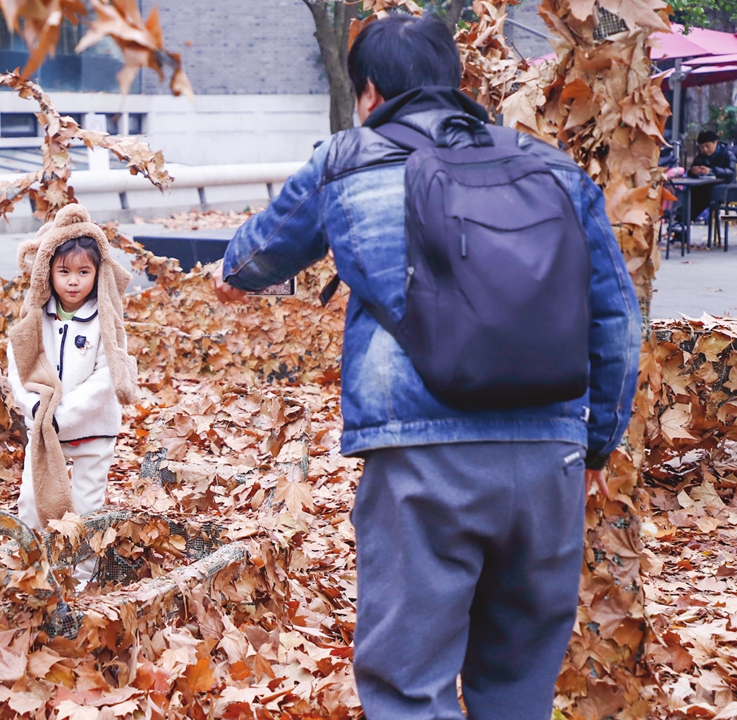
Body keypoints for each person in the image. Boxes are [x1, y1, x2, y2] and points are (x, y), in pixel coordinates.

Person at [212, 14, 640, 720]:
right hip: (550, 461)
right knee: (519, 684)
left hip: (420, 458)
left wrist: (232, 275)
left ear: (371, 92)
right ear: (455, 80)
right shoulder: (555, 171)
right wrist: (595, 442)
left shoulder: (347, 161)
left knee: (410, 686)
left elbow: (255, 257)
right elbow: (617, 320)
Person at [6, 204, 138, 585]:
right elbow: (19, 363)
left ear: (98, 273)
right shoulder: (37, 316)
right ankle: (31, 568)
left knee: (85, 507)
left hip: (92, 430)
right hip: (44, 430)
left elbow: (105, 377)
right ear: (48, 270)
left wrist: (64, 413)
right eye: (64, 272)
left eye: (83, 272)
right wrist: (34, 406)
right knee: (32, 502)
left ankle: (81, 578)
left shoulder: (103, 319)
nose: (73, 282)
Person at [687, 130, 737, 220]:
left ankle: (685, 218)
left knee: (702, 194)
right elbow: (691, 171)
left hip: (725, 187)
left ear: (715, 142)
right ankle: (683, 219)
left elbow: (731, 172)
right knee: (692, 191)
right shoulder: (701, 156)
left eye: (707, 146)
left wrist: (712, 170)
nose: (705, 149)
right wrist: (693, 171)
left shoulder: (727, 154)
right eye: (702, 147)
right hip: (706, 186)